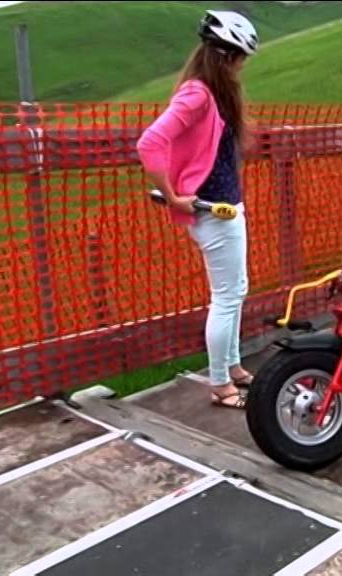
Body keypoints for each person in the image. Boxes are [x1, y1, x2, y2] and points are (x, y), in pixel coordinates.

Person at [136, 11, 259, 410]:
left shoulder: (211, 93)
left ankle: (234, 366)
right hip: (212, 212)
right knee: (225, 297)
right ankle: (222, 384)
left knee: (236, 291)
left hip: (226, 209)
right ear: (227, 56)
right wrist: (172, 196)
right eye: (240, 58)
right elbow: (150, 143)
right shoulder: (198, 94)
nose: (242, 67)